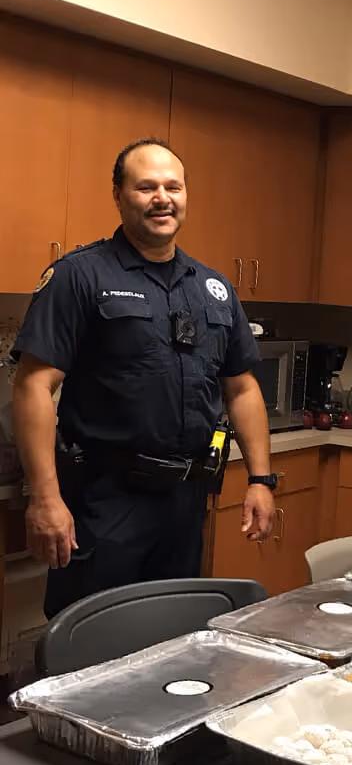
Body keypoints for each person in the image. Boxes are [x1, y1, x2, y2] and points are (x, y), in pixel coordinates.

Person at [12, 138, 276, 618]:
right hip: (105, 499)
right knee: (94, 641)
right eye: (146, 187)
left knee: (170, 636)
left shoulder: (212, 288)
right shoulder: (79, 276)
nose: (162, 198)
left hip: (185, 501)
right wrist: (45, 498)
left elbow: (241, 386)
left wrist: (261, 479)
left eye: (173, 186)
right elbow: (34, 386)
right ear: (118, 195)